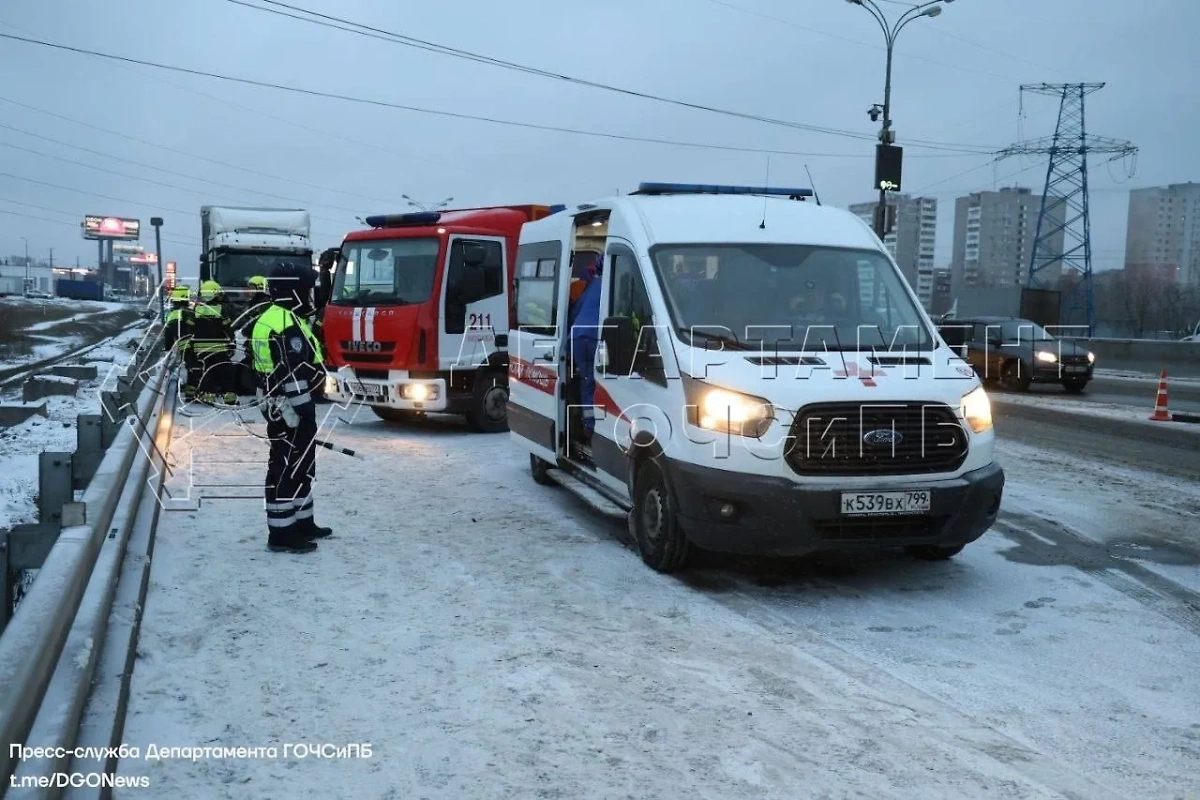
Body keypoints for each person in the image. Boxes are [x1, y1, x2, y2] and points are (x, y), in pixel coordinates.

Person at [249, 262, 332, 553]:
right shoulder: (285, 324)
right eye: (306, 290)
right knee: (287, 468)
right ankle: (282, 533)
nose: (310, 296)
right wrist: (304, 411)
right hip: (292, 409)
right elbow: (292, 372)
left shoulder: (275, 317)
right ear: (293, 291)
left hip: (282, 405)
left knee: (301, 466)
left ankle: (303, 522)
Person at [568, 254, 603, 443]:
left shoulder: (590, 287)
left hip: (578, 337)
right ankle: (595, 426)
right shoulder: (614, 284)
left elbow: (576, 310)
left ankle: (589, 424)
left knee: (587, 381)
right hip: (596, 336)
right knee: (600, 382)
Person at [192, 280, 237, 405]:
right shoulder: (221, 309)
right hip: (219, 348)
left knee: (207, 373)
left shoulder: (197, 309)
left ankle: (208, 397)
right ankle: (229, 398)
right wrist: (232, 343)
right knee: (226, 371)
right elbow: (228, 328)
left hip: (200, 349)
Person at [164, 285, 197, 397]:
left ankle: (190, 389)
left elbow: (167, 334)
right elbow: (195, 328)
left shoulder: (170, 313)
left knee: (190, 366)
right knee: (195, 367)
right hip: (192, 344)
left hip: (181, 345)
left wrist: (168, 347)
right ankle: (191, 393)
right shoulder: (187, 313)